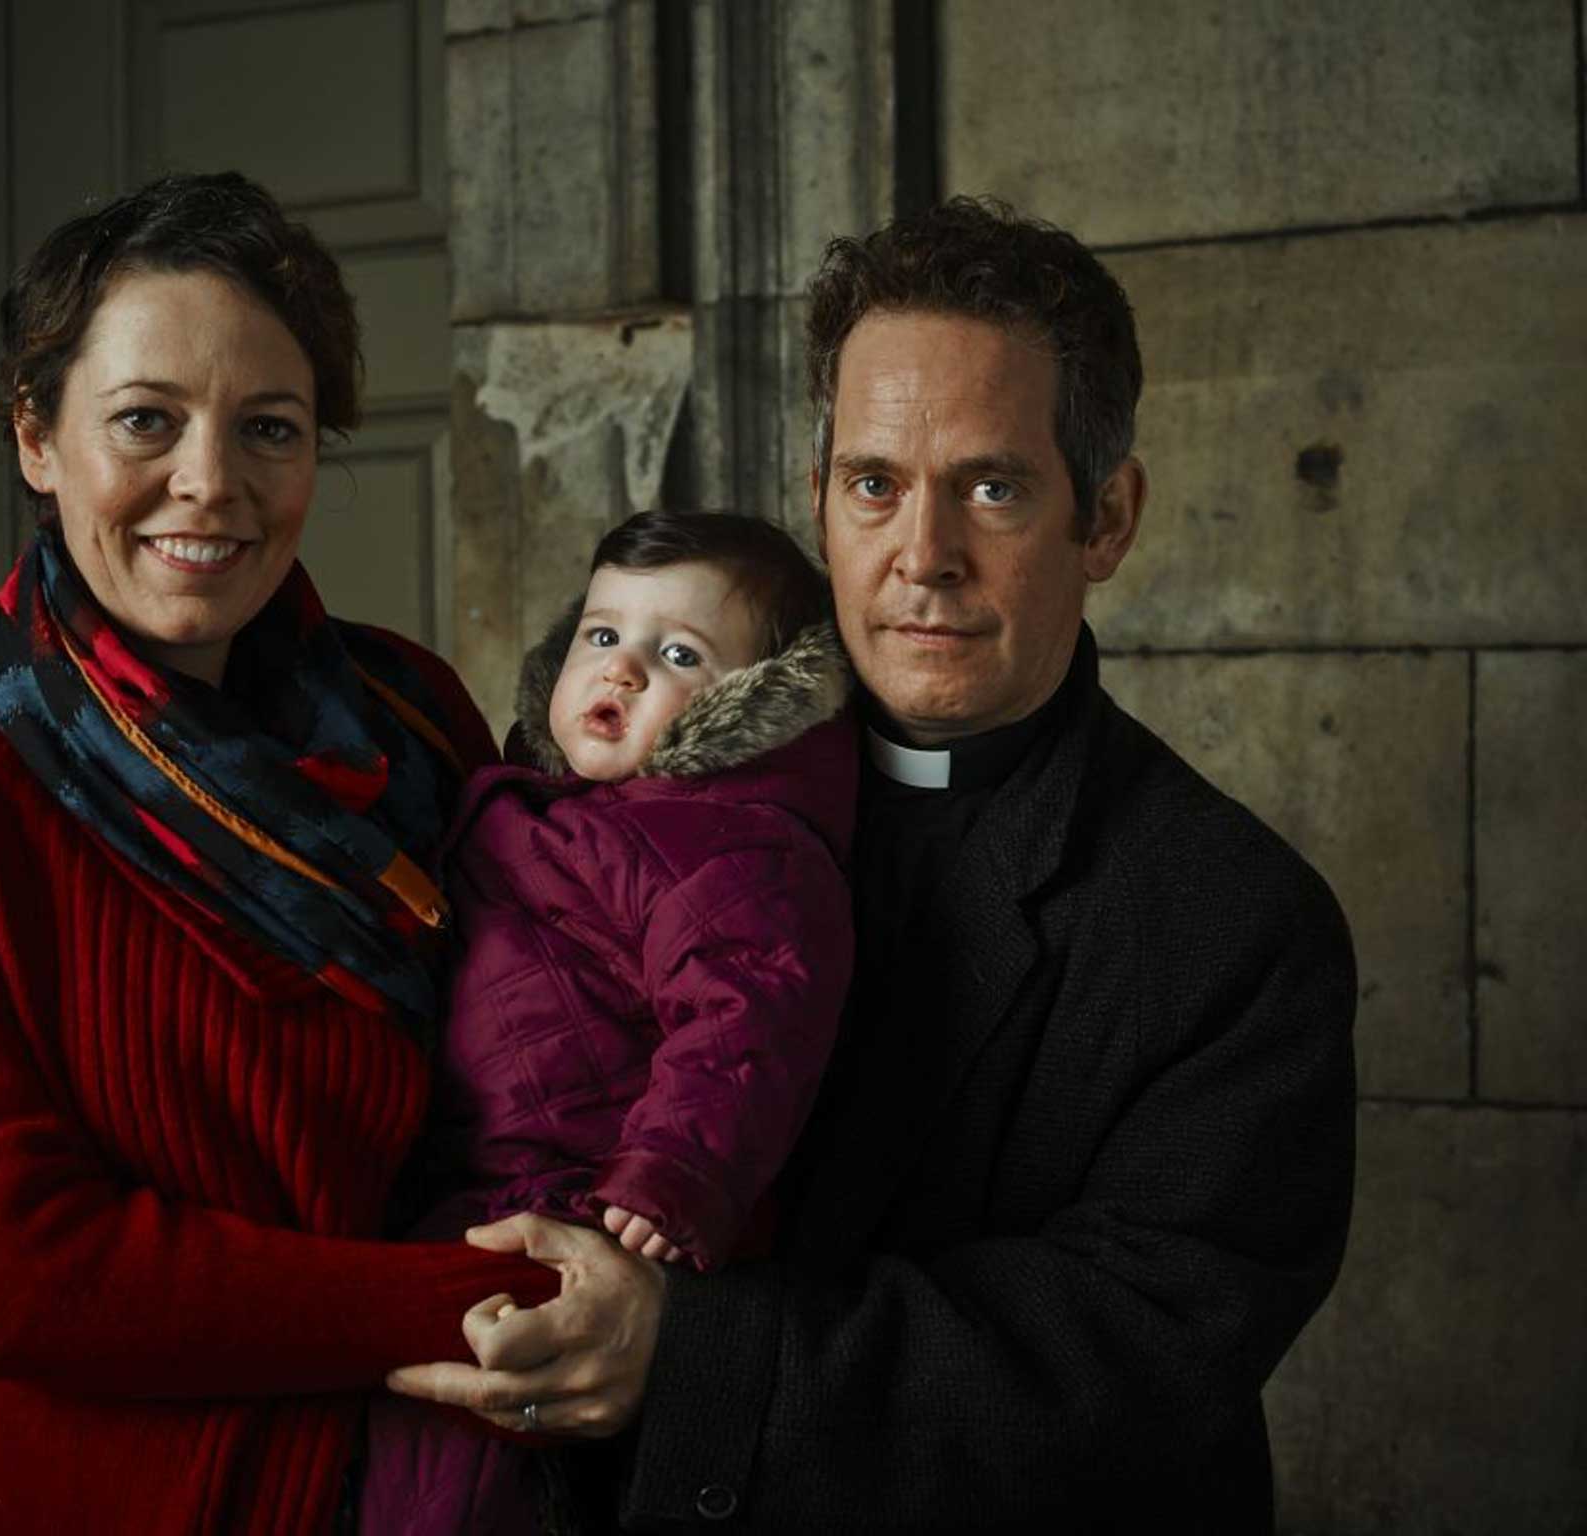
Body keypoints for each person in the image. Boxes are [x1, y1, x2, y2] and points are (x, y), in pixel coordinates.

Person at [386, 197, 1359, 1531]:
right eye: (875, 485)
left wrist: (690, 1348)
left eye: (995, 488)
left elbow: (1134, 1356)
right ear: (819, 504)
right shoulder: (607, 787)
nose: (923, 558)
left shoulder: (1235, 926)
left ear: (1108, 519)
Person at [0, 171, 556, 1536]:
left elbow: (548, 1049)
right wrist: (503, 1301)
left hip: (426, 1484)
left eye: (272, 426)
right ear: (37, 435)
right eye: (146, 420)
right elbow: (19, 1271)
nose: (212, 483)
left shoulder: (413, 719)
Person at [360, 510, 857, 1533]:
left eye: (676, 654)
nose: (620, 670)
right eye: (601, 634)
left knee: (478, 1470)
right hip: (472, 1187)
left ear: (757, 705)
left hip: (586, 1201)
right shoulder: (542, 804)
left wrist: (677, 1171)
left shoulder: (725, 844)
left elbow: (748, 1007)